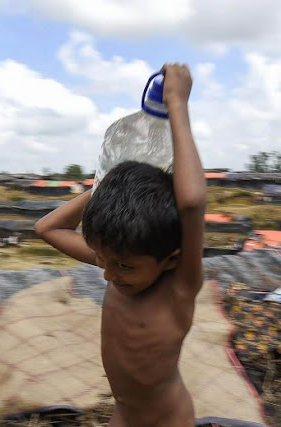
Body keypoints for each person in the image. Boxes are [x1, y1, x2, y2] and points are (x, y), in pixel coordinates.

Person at [34, 64, 205, 426]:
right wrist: (106, 186)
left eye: (122, 266)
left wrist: (177, 103)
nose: (107, 275)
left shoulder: (178, 287)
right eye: (103, 259)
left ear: (171, 259)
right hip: (124, 415)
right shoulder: (121, 262)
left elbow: (191, 204)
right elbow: (47, 228)